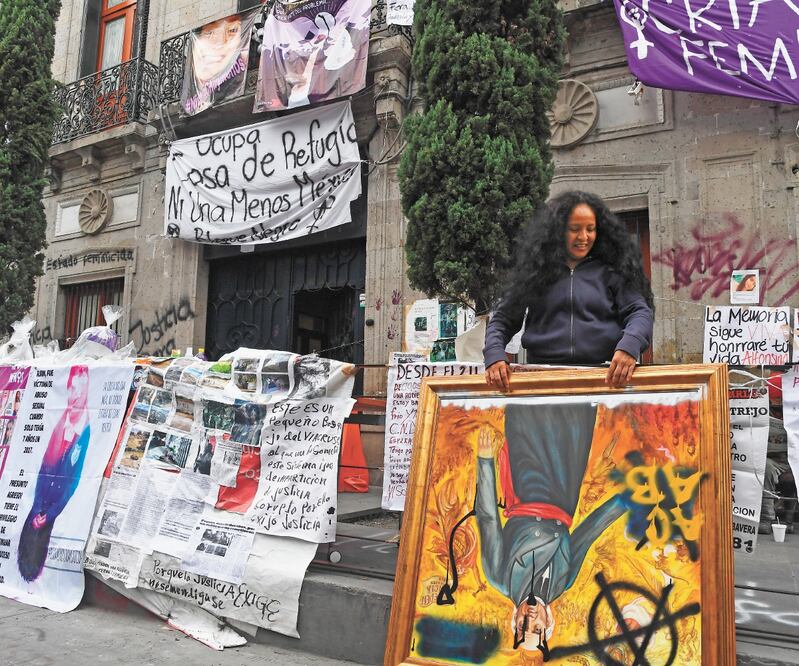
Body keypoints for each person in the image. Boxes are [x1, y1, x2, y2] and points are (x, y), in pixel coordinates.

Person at [483, 191, 654, 390]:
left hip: (604, 380)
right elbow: (503, 319)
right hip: (543, 381)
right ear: (557, 230)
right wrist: (494, 354)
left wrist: (629, 346)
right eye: (575, 229)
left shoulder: (612, 271)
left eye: (591, 229)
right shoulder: (535, 273)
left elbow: (640, 312)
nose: (584, 237)